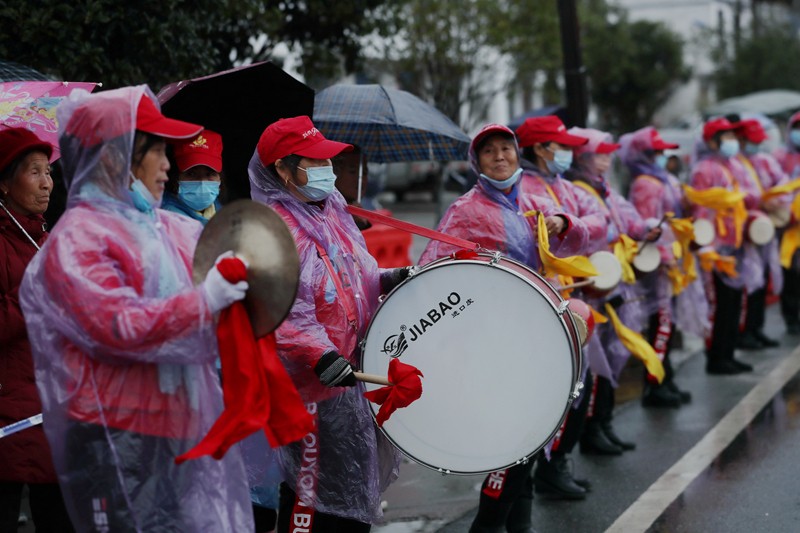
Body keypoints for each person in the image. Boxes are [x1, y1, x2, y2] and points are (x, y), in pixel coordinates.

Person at [18, 86, 254, 531]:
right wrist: (205, 301)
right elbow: (116, 325)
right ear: (116, 158)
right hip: (116, 436)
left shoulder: (166, 227)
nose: (168, 164)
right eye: (157, 151)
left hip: (177, 426)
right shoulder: (79, 238)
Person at [419, 123, 586, 533]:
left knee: (531, 437)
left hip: (537, 336)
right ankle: (488, 525)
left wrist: (563, 222)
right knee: (516, 440)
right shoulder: (465, 210)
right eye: (489, 150)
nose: (499, 156)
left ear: (517, 153)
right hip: (492, 343)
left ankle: (519, 525)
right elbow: (431, 270)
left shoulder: (533, 203)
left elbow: (579, 240)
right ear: (477, 161)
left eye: (506, 148)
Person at [249, 115, 404, 532]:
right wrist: (320, 354)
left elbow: (351, 276)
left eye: (326, 160)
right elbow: (281, 308)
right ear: (283, 170)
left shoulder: (329, 210)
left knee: (349, 503)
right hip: (311, 389)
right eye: (314, 161)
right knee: (311, 500)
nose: (327, 169)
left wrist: (390, 279)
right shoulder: (274, 230)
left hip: (349, 379)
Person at [515, 116, 606, 501]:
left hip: (570, 297)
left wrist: (566, 221)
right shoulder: (524, 188)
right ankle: (541, 471)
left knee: (579, 384)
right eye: (562, 146)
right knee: (556, 389)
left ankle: (558, 464)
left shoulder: (564, 186)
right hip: (540, 301)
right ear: (540, 148)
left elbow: (601, 221)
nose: (569, 152)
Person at [564, 127, 657, 453]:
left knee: (613, 354)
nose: (605, 160)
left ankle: (603, 422)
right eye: (599, 154)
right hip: (591, 286)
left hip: (613, 281)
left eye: (608, 155)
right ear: (583, 156)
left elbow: (629, 221)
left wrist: (648, 229)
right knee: (597, 361)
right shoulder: (577, 190)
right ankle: (592, 430)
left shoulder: (605, 190)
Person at [0, 127, 74, 532]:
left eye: (48, 172)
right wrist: (34, 289)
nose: (47, 183)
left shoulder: (44, 239)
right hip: (9, 416)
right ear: (4, 184)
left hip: (52, 410)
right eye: (34, 172)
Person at [622, 126, 704, 405]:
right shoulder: (645, 184)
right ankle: (655, 384)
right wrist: (665, 259)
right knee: (662, 322)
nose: (661, 156)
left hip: (671, 261)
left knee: (667, 322)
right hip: (660, 265)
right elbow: (649, 226)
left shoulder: (662, 179)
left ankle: (665, 378)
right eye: (655, 152)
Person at [688, 117, 758, 375]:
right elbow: (700, 209)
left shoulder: (732, 165)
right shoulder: (704, 170)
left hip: (734, 244)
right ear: (712, 142)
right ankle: (717, 358)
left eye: (732, 136)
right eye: (726, 137)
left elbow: (751, 196)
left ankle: (728, 353)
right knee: (720, 303)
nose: (732, 141)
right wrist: (707, 246)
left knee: (734, 301)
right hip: (715, 250)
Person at [731, 117, 785, 349]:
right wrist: (760, 202)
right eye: (752, 140)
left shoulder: (763, 160)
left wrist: (777, 199)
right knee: (747, 283)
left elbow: (781, 182)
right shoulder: (734, 164)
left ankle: (756, 327)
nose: (757, 144)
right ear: (742, 140)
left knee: (762, 280)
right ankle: (744, 332)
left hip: (764, 228)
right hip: (743, 232)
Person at [772, 111, 800, 334]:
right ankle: (791, 317)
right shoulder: (780, 158)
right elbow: (774, 189)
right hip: (789, 226)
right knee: (790, 273)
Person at [162, 128, 224, 224]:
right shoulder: (168, 219)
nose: (202, 182)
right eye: (191, 174)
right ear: (176, 179)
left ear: (220, 179)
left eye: (209, 174)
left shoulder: (218, 209)